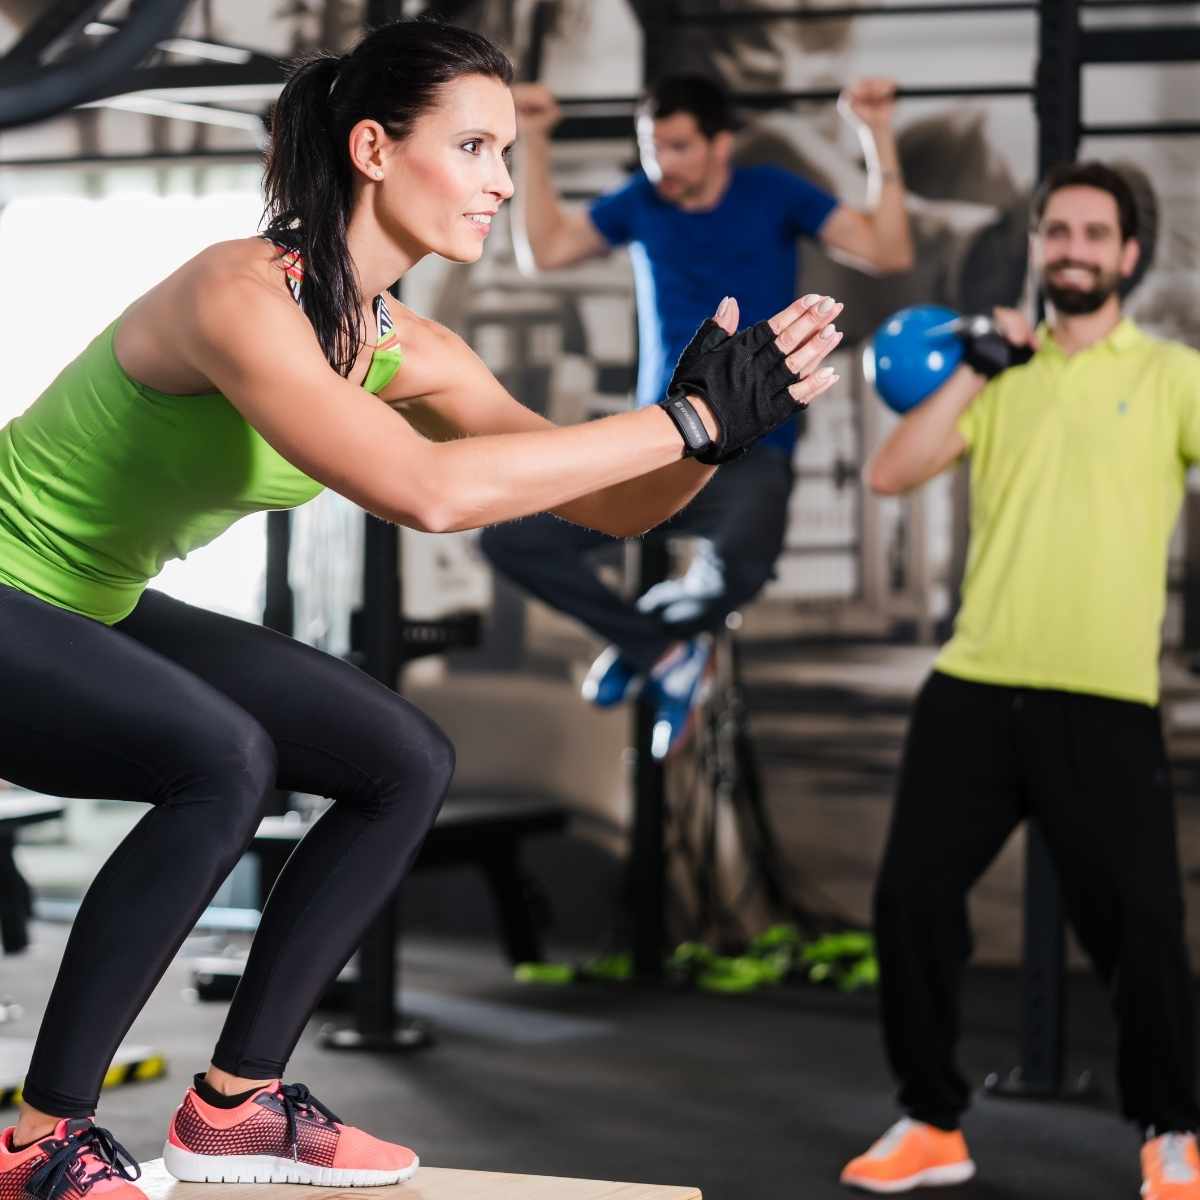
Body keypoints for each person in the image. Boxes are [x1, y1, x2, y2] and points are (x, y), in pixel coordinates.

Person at [0, 19, 846, 1199]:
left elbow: (611, 504)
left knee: (400, 756)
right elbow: (429, 493)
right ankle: (37, 1139)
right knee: (225, 758)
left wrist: (719, 431)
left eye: (506, 150)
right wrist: (682, 425)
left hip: (92, 603)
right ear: (373, 150)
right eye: (477, 145)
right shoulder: (238, 294)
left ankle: (235, 1107)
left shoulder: (412, 348)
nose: (503, 180)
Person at [842, 161, 1200, 1199]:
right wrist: (980, 366)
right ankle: (931, 1123)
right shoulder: (995, 371)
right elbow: (890, 472)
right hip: (976, 684)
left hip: (1103, 695)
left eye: (1095, 234)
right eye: (1059, 231)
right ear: (1040, 245)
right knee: (910, 903)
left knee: (1142, 928)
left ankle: (1171, 1133)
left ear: (1128, 255)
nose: (1074, 249)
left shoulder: (1171, 376)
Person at [480, 72, 912, 757]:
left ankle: (654, 636)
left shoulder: (773, 194)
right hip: (655, 443)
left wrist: (875, 133)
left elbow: (887, 250)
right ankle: (660, 652)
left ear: (721, 144)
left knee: (738, 573)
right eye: (653, 147)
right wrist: (533, 138)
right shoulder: (642, 202)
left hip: (752, 448)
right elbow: (547, 252)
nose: (663, 165)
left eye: (679, 147)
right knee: (510, 539)